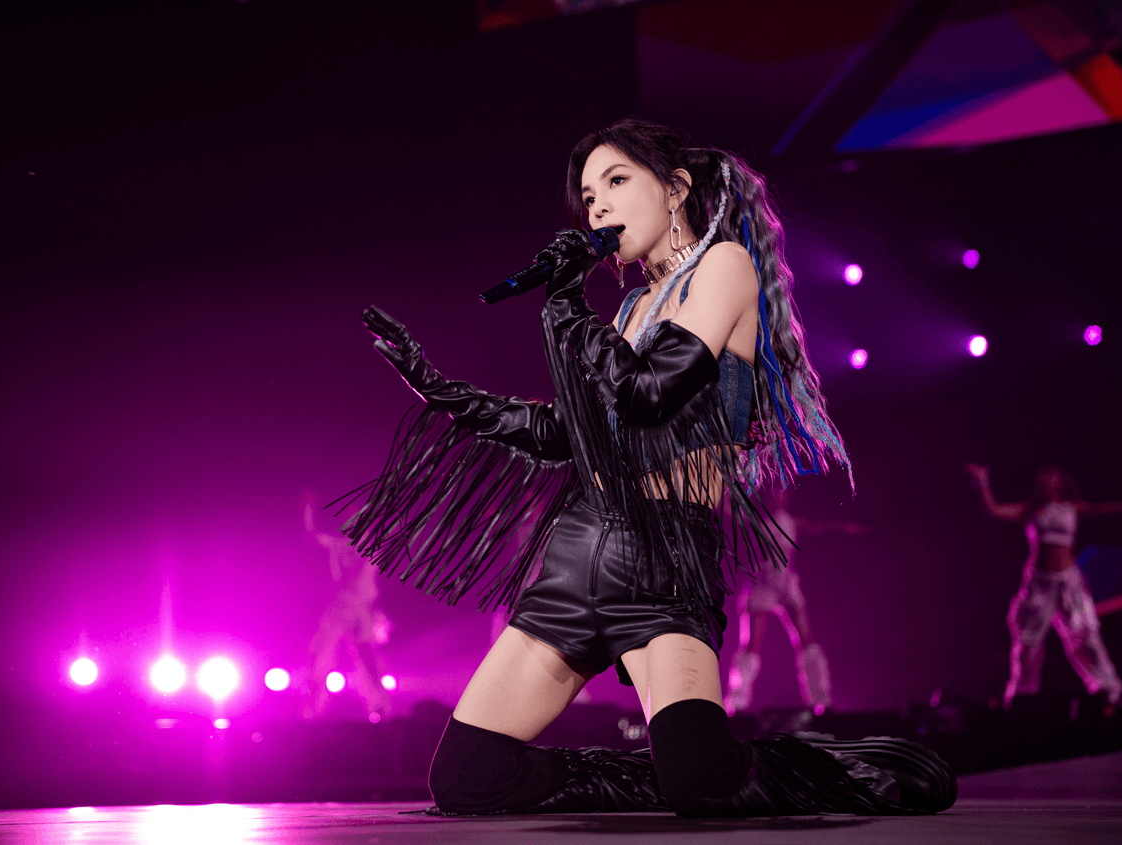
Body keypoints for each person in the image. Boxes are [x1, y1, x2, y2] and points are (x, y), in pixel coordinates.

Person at [341, 119, 955, 816]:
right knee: (468, 778)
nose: (596, 206)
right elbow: (560, 432)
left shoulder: (723, 267)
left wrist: (566, 303)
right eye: (586, 196)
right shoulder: (631, 308)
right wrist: (435, 385)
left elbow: (650, 393)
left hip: (661, 562)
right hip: (575, 556)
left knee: (702, 781)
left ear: (675, 189)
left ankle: (842, 767)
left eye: (615, 181)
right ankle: (657, 773)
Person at [965, 464, 1122, 708]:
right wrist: (982, 481)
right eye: (1045, 478)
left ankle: (1110, 692)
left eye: (1054, 478)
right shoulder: (1031, 510)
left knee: (1085, 636)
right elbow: (993, 510)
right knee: (1028, 642)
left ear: (1062, 483)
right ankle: (1021, 696)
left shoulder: (1072, 509)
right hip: (1040, 583)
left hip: (1069, 582)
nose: (1048, 482)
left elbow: (1108, 509)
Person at [723, 486, 870, 717]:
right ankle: (736, 703)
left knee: (807, 642)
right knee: (752, 646)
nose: (778, 497)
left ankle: (821, 701)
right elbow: (730, 511)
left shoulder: (791, 522)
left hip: (787, 585)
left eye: (781, 493)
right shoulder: (757, 521)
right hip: (763, 584)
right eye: (773, 494)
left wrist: (848, 528)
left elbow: (821, 527)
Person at [300, 492, 392, 720]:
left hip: (359, 608)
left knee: (367, 659)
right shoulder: (340, 544)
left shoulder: (372, 546)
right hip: (340, 606)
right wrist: (308, 509)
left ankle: (380, 707)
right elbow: (312, 536)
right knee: (320, 656)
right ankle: (312, 709)